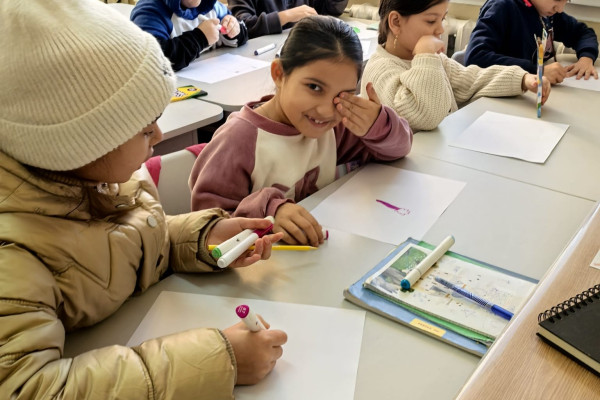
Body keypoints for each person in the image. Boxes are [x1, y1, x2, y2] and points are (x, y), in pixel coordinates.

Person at [0, 0, 287, 398]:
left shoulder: (105, 178)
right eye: (143, 128)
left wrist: (202, 238)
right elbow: (26, 388)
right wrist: (221, 360)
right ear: (75, 145)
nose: (160, 135)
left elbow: (121, 246)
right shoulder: (12, 253)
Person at [188, 16, 413, 246]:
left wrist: (376, 123)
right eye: (314, 87)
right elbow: (206, 229)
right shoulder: (239, 140)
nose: (326, 110)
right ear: (279, 74)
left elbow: (397, 150)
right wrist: (269, 211)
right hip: (262, 267)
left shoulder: (334, 127)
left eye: (342, 94)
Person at [361, 0, 551, 132]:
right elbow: (424, 117)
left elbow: (472, 80)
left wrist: (523, 79)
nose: (440, 29)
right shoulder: (380, 71)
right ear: (396, 22)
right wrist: (425, 55)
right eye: (431, 21)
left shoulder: (434, 61)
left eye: (442, 19)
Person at [465, 0, 599, 84]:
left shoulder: (546, 12)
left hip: (529, 90)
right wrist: (537, 71)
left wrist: (586, 58)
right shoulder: (501, 7)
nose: (560, 9)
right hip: (497, 92)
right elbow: (476, 57)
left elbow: (583, 33)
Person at [131, 0, 248, 71]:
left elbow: (240, 37)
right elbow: (153, 60)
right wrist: (200, 38)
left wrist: (234, 29)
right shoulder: (150, 12)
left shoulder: (212, 6)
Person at [228, 0, 348, 39]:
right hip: (259, 58)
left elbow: (329, 10)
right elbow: (241, 27)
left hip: (301, 48)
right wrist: (287, 16)